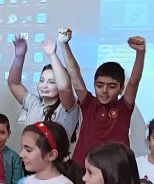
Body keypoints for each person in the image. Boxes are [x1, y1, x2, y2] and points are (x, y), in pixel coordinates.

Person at [61, 31, 146, 162]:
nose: (104, 91)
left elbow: (134, 81)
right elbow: (74, 74)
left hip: (114, 169)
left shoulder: (123, 108)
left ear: (121, 89)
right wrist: (64, 45)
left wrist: (140, 52)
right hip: (82, 168)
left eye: (111, 86)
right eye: (99, 85)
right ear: (94, 85)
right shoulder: (88, 104)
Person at [9, 35, 81, 139]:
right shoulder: (34, 102)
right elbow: (14, 84)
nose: (44, 85)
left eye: (51, 82)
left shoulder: (66, 108)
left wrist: (52, 55)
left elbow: (65, 87)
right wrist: (19, 57)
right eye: (41, 80)